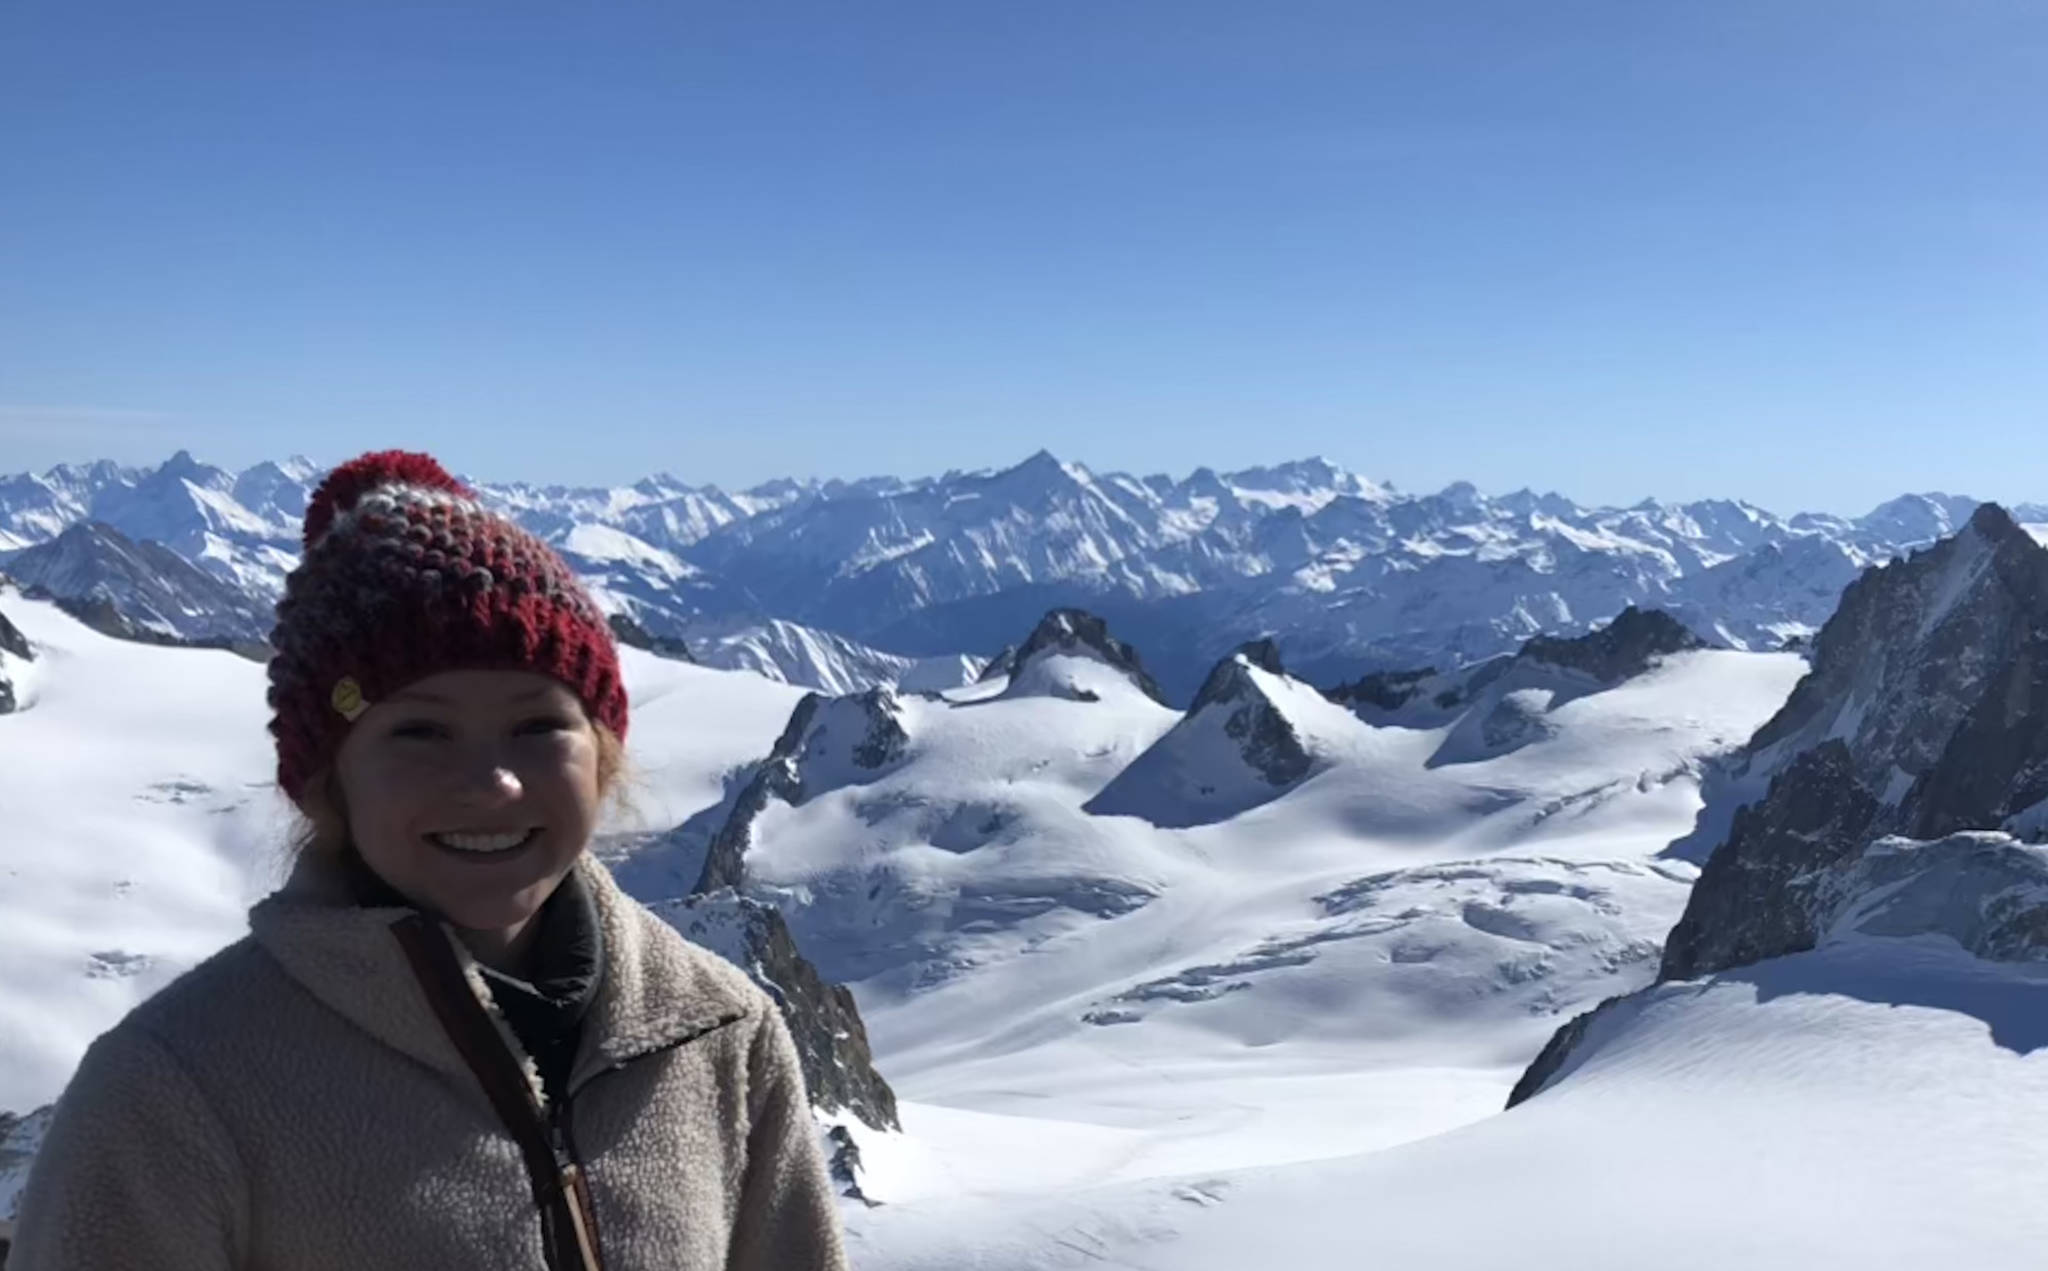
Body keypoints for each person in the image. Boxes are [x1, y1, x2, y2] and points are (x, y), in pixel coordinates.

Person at [11, 451, 851, 1271]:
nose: (492, 782)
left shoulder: (723, 1034)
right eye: (419, 730)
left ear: (603, 754)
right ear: (324, 780)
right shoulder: (175, 1090)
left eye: (538, 726)